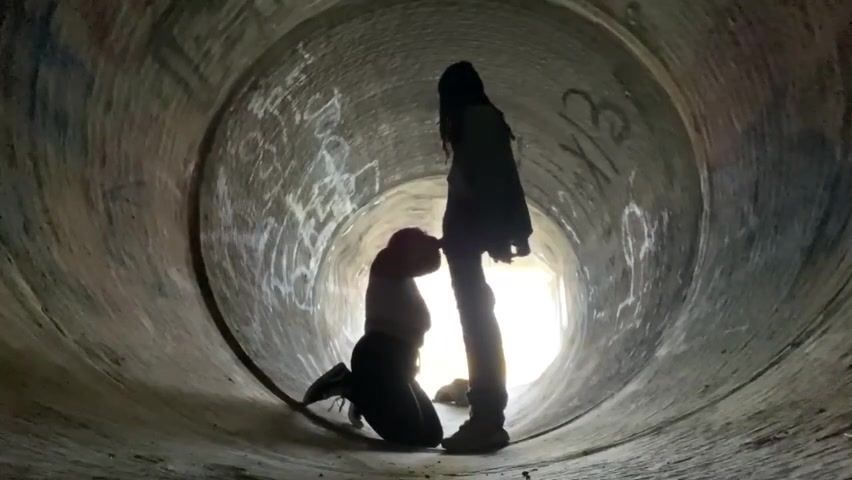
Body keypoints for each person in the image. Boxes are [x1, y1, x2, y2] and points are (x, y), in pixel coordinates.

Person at [437, 61, 533, 453]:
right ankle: (486, 415)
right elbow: (501, 177)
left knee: (478, 326)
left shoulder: (476, 120)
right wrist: (514, 231)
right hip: (466, 238)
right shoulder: (483, 118)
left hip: (469, 238)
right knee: (478, 322)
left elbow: (494, 179)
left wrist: (500, 235)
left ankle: (487, 419)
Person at [302, 228, 443, 448]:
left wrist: (435, 245)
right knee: (410, 435)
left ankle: (366, 394)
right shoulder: (386, 263)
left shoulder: (406, 280)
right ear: (406, 247)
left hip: (399, 365)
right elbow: (425, 263)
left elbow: (430, 265)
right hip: (378, 357)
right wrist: (435, 243)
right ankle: (349, 385)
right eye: (419, 244)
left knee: (432, 436)